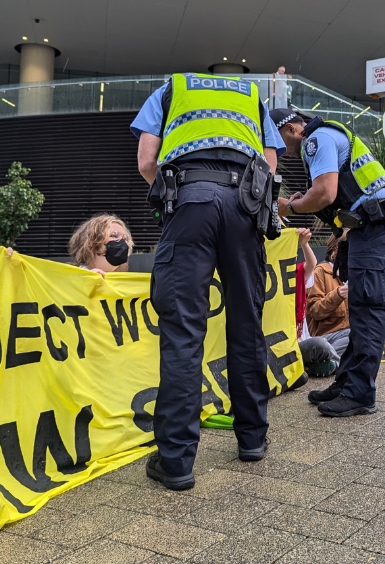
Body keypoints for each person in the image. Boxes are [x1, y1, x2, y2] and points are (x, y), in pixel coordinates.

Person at [132, 73, 283, 491]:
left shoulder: (171, 89)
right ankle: (252, 440)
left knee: (183, 332)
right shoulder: (253, 96)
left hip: (190, 200)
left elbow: (147, 161)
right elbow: (269, 164)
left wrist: (177, 194)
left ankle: (176, 462)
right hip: (245, 206)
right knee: (247, 324)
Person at [273, 108, 385, 417]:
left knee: (366, 306)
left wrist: (290, 208)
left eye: (277, 137)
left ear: (293, 128)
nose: (278, 148)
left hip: (378, 224)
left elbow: (324, 193)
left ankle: (361, 392)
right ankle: (347, 381)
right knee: (360, 308)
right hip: (370, 224)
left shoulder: (316, 139)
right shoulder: (329, 136)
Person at [301, 235, 350, 377]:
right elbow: (315, 312)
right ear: (335, 250)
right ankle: (337, 362)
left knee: (361, 334)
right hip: (324, 337)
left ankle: (330, 364)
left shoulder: (353, 272)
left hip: (344, 337)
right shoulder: (320, 272)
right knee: (322, 345)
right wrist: (338, 294)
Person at [68, 213, 134, 274]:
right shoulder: (70, 279)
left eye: (125, 239)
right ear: (92, 242)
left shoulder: (121, 283)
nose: (122, 242)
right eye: (114, 235)